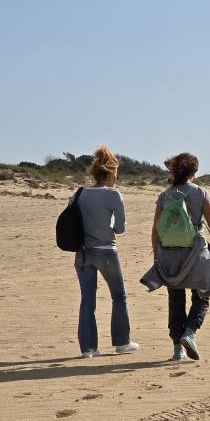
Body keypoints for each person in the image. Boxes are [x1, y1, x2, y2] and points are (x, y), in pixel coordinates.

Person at [140, 152, 210, 361]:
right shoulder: (201, 192)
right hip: (196, 253)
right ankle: (190, 333)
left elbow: (155, 229)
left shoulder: (164, 196)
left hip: (169, 254)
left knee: (175, 299)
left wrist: (156, 258)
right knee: (202, 295)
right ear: (194, 172)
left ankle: (177, 349)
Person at [73, 145, 139, 357]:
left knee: (87, 300)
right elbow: (120, 229)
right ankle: (122, 342)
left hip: (83, 253)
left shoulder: (79, 193)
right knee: (119, 296)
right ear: (110, 171)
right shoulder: (113, 195)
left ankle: (89, 348)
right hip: (106, 251)